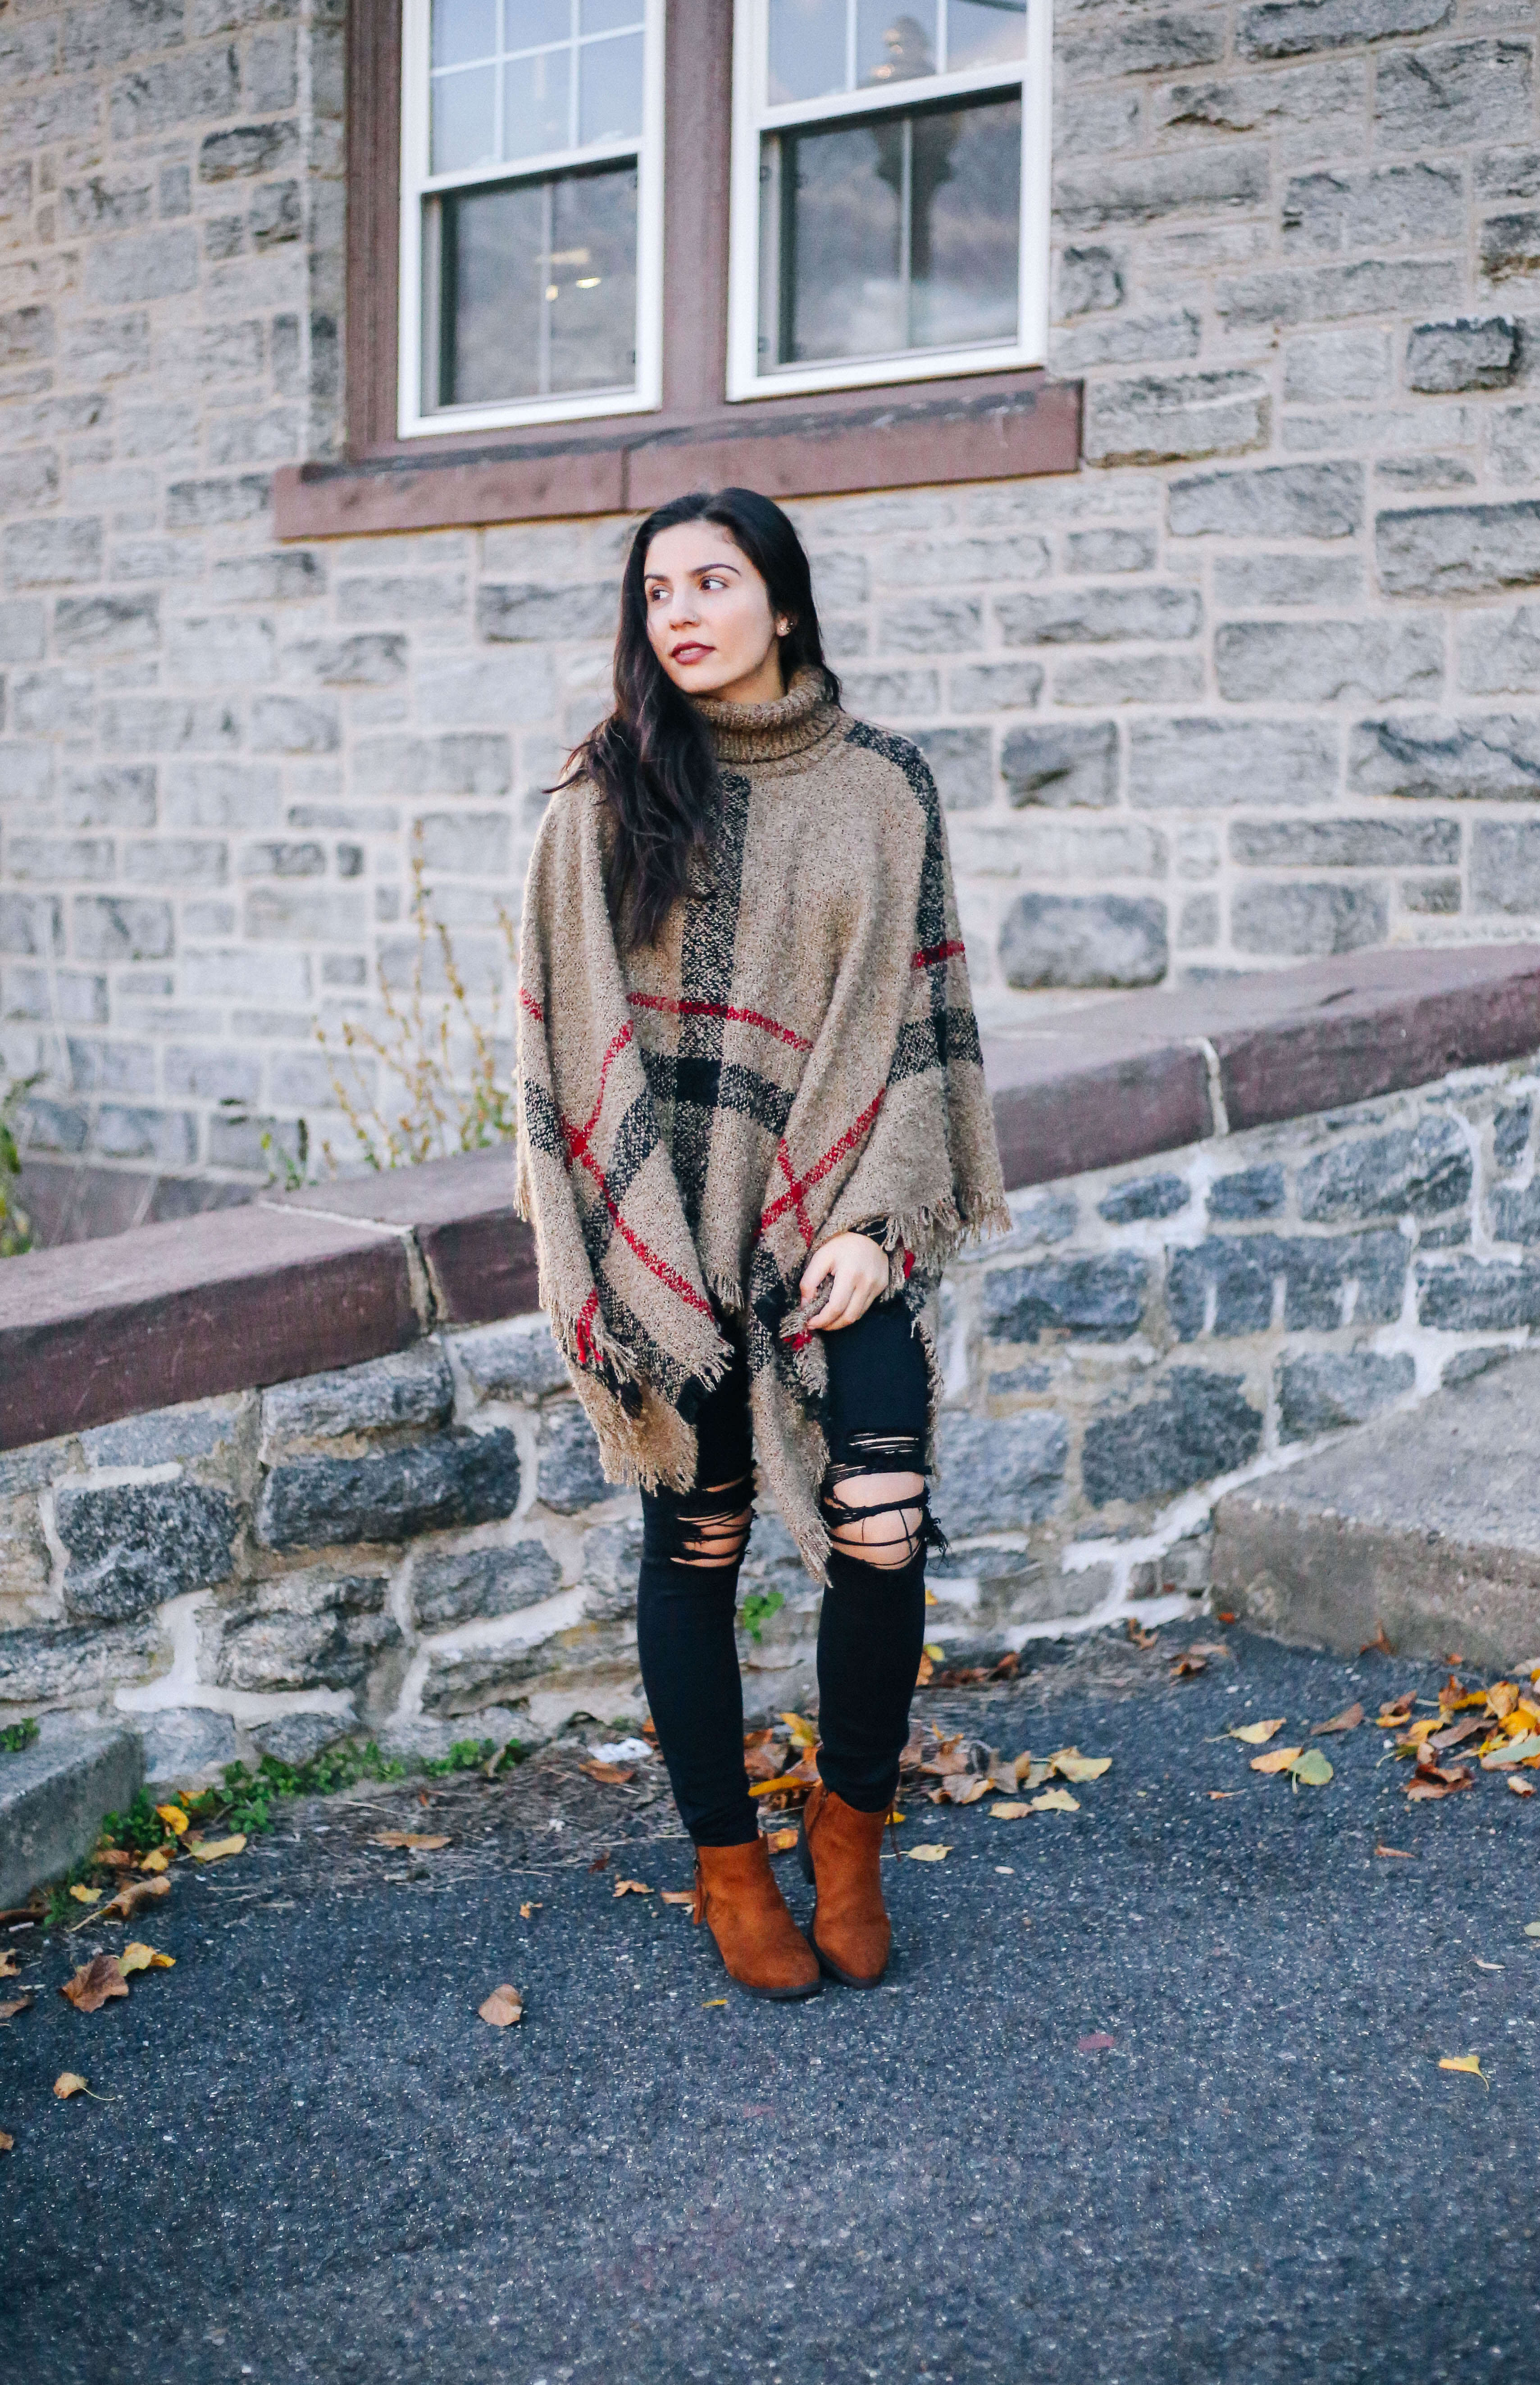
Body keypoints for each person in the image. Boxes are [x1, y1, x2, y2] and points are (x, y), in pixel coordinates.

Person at [516, 488, 1007, 2000]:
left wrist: (872, 1224)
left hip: (837, 1215)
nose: (679, 610)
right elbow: (560, 1049)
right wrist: (645, 1256)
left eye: (712, 581)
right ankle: (730, 1867)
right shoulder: (602, 799)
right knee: (703, 1529)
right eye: (655, 588)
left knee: (879, 1516)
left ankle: (846, 1828)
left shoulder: (881, 787)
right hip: (665, 1223)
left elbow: (913, 1025)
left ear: (780, 605)